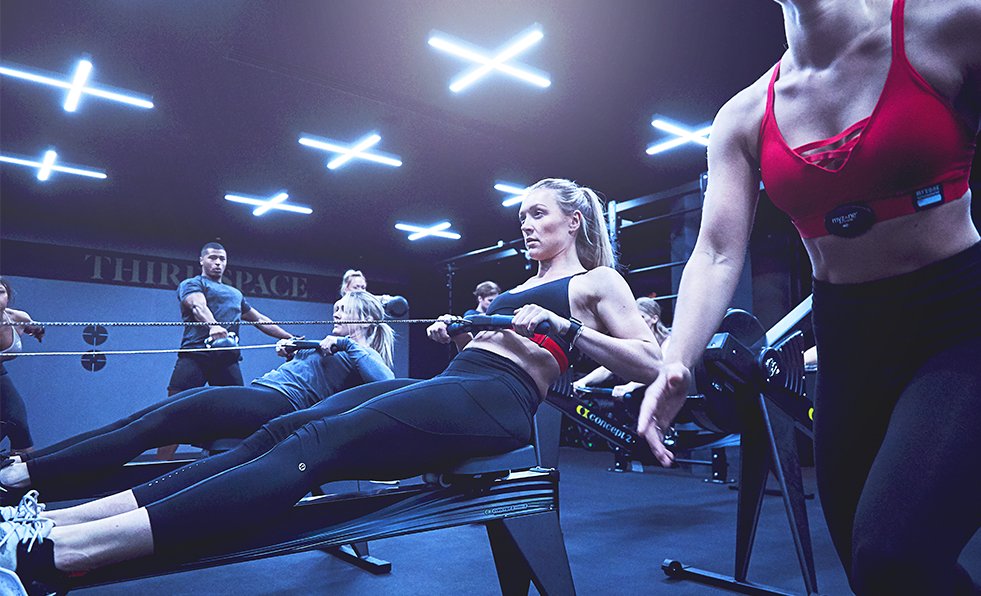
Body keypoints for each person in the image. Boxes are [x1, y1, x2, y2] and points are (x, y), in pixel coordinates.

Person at [0, 178, 660, 586]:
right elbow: (507, 333)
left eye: (538, 213)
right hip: (465, 377)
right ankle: (54, 521)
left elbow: (651, 365)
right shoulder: (515, 287)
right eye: (521, 215)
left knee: (315, 443)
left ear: (573, 220)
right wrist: (461, 331)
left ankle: (64, 551)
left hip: (499, 400)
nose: (526, 224)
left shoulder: (596, 282)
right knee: (280, 429)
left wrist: (566, 330)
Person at [638, 0, 981, 595]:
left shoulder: (954, 27)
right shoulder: (744, 115)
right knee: (876, 574)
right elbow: (717, 251)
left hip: (964, 325)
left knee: (894, 555)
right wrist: (675, 359)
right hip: (848, 346)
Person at [0, 290, 395, 501]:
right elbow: (312, 354)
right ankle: (25, 464)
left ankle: (28, 475)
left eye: (343, 309)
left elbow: (388, 382)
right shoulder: (330, 345)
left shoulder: (363, 353)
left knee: (149, 427)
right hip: (259, 397)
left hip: (275, 406)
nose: (336, 314)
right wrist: (298, 347)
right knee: (139, 421)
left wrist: (345, 347)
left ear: (363, 316)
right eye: (336, 308)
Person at [159, 242, 295, 460]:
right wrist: (213, 325)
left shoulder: (235, 294)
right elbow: (198, 307)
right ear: (201, 260)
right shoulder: (192, 283)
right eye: (213, 258)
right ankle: (158, 471)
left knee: (237, 414)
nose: (218, 263)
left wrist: (288, 337)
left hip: (226, 359)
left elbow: (260, 319)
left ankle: (234, 464)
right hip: (195, 356)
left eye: (222, 259)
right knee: (175, 414)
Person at [573, 296, 670, 399]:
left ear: (654, 319)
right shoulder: (635, 340)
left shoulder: (668, 340)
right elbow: (610, 366)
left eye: (642, 317)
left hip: (662, 396)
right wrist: (583, 381)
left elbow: (660, 369)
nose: (638, 323)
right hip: (638, 396)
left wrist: (629, 386)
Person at [0, 277, 44, 457]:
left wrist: (38, 331)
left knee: (18, 423)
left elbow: (35, 327)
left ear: (8, 296)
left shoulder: (19, 318)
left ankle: (20, 478)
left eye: (0, 292)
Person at [425, 280, 501, 345]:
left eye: (496, 300)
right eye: (490, 300)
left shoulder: (496, 314)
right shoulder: (470, 314)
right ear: (480, 299)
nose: (493, 304)